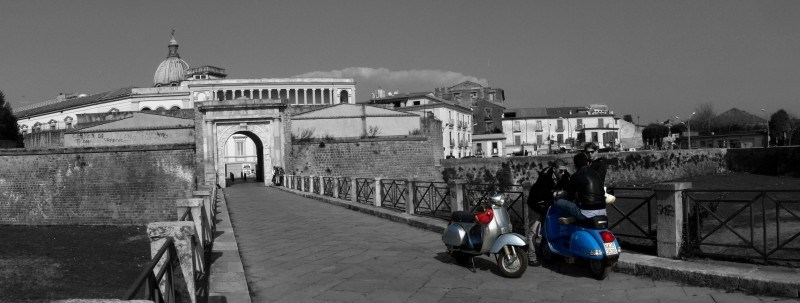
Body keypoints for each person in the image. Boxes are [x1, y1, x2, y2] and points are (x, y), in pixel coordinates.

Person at [525, 159, 571, 265]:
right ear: (554, 169)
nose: (563, 173)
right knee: (534, 231)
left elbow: (569, 188)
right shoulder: (544, 176)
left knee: (546, 229)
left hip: (548, 205)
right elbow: (542, 193)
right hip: (536, 204)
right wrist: (556, 194)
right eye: (561, 171)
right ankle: (531, 257)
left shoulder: (565, 175)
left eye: (564, 171)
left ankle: (545, 252)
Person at [555, 152, 606, 224]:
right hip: (603, 212)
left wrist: (559, 194)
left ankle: (572, 219)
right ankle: (574, 218)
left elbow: (570, 197)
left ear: (575, 166)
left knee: (559, 202)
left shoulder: (575, 176)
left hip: (586, 215)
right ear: (588, 163)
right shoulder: (596, 174)